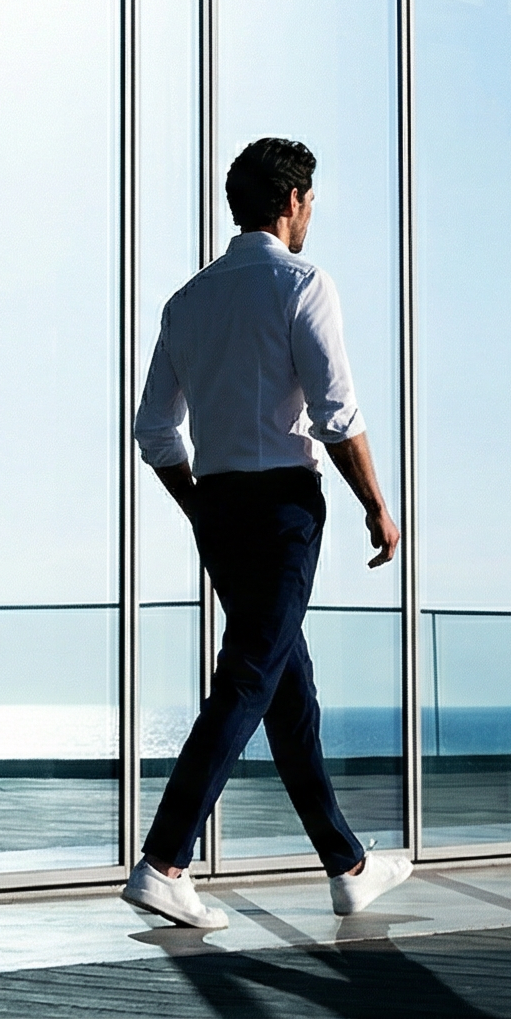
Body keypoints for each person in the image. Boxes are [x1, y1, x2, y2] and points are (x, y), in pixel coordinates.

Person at [120, 137, 411, 931]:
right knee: (251, 676)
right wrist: (377, 505)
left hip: (217, 505)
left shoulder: (187, 300)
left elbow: (154, 431)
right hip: (283, 509)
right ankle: (165, 860)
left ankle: (347, 867)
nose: (311, 214)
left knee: (288, 692)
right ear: (291, 201)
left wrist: (199, 504)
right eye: (310, 201)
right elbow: (336, 413)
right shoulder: (303, 282)